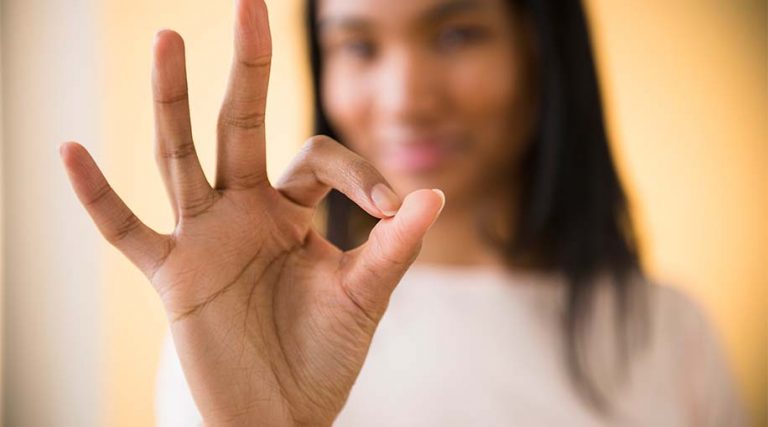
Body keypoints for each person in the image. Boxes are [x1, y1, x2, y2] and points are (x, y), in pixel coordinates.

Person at [60, 0, 746, 425]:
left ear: (542, 49)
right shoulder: (236, 328)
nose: (405, 97)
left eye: (458, 34)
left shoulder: (670, 334)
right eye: (358, 45)